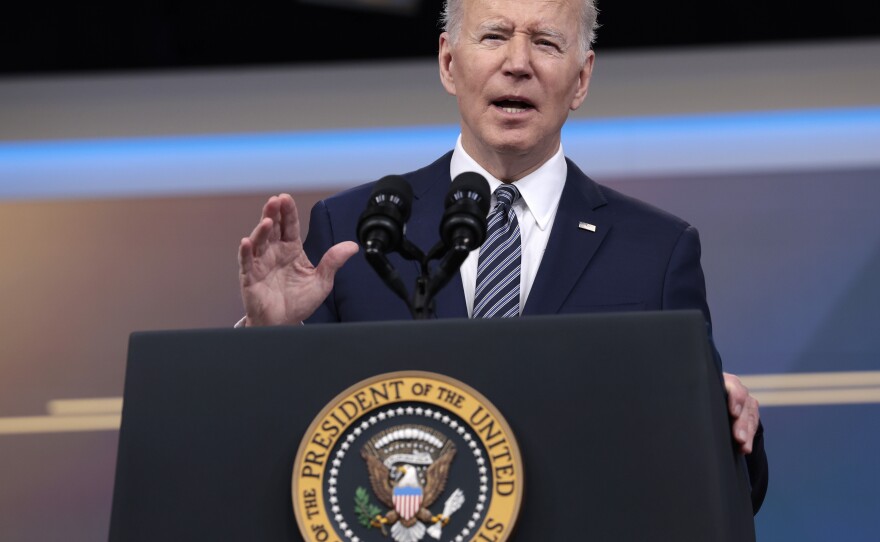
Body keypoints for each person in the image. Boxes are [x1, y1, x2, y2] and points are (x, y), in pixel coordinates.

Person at [237, 0, 767, 512]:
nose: (518, 64)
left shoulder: (656, 251)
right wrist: (267, 340)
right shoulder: (356, 230)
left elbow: (718, 490)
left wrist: (723, 422)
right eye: (493, 36)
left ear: (581, 79)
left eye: (545, 42)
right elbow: (281, 459)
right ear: (448, 62)